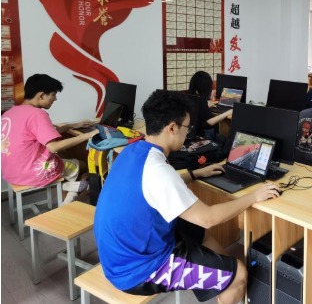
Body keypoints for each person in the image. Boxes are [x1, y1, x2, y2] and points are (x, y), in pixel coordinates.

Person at [94, 90, 280, 303]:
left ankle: (221, 271)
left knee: (196, 231)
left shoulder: (133, 150)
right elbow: (208, 218)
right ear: (172, 128)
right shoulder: (157, 169)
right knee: (239, 274)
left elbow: (154, 188)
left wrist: (195, 174)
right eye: (187, 128)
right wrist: (254, 197)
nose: (188, 134)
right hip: (139, 270)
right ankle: (230, 278)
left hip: (121, 252)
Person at [1, 74, 97, 204]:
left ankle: (70, 186)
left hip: (10, 171)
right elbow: (53, 147)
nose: (55, 99)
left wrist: (71, 126)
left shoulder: (11, 112)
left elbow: (43, 132)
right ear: (41, 95)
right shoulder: (37, 114)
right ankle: (68, 198)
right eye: (53, 94)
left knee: (63, 156)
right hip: (32, 173)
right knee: (83, 165)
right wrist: (88, 135)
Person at [187, 71, 233, 140]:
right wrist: (227, 113)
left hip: (193, 133)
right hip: (204, 134)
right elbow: (211, 122)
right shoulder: (201, 100)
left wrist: (207, 104)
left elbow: (198, 109)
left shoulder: (190, 96)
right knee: (225, 139)